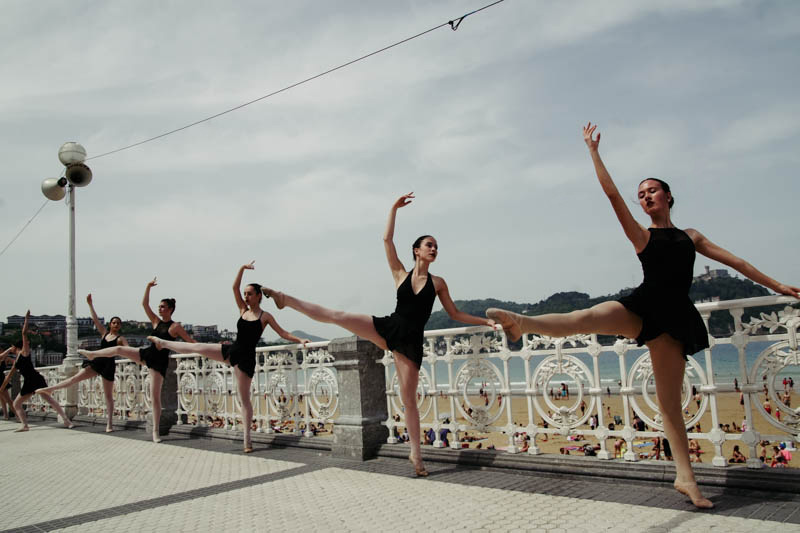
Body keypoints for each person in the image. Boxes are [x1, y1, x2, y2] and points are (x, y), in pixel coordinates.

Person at [486, 123, 800, 508]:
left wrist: (777, 285)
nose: (645, 196)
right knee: (586, 317)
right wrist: (593, 152)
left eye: (651, 190)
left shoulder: (691, 237)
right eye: (641, 194)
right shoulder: (642, 236)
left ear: (668, 196)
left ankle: (686, 479)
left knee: (670, 405)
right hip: (641, 307)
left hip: (674, 321)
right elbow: (612, 195)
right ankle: (521, 322)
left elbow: (737, 262)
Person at [259, 193, 494, 476]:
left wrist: (486, 321)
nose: (434, 249)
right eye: (429, 245)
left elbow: (455, 313)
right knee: (338, 315)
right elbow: (386, 240)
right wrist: (394, 208)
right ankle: (285, 299)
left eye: (436, 247)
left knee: (409, 400)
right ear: (417, 251)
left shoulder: (438, 283)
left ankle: (416, 455)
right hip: (389, 327)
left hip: (409, 342)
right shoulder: (400, 274)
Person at [149, 262, 307, 453]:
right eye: (245, 294)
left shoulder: (265, 316)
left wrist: (300, 339)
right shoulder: (243, 310)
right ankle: (163, 343)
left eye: (250, 294)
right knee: (198, 347)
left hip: (245, 358)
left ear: (259, 296)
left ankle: (247, 440)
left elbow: (283, 333)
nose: (246, 297)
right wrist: (242, 269)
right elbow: (234, 287)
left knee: (244, 399)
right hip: (232, 350)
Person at [79, 278, 194, 443]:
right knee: (119, 349)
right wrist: (148, 287)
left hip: (159, 363)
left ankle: (155, 432)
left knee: (155, 398)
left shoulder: (175, 326)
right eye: (159, 306)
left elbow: (190, 342)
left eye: (162, 306)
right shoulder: (156, 321)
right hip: (147, 354)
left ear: (170, 309)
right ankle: (93, 355)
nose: (160, 309)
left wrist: (204, 349)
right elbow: (144, 305)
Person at [36, 294, 127, 432]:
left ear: (120, 326)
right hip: (97, 362)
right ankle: (50, 389)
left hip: (108, 365)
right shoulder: (104, 333)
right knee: (74, 378)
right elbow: (95, 320)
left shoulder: (120, 339)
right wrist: (90, 304)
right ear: (110, 324)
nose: (116, 324)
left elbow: (128, 350)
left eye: (118, 323)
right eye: (114, 322)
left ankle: (109, 424)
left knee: (108, 395)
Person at [1, 311, 73, 431]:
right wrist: (2, 388)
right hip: (29, 381)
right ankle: (25, 425)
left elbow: (24, 333)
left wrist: (26, 320)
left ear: (16, 347)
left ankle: (66, 421)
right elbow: (9, 375)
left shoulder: (24, 352)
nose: (11, 348)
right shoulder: (16, 359)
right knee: (17, 404)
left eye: (12, 347)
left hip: (35, 379)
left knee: (48, 400)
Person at [0, 352, 16, 420]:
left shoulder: (6, 358)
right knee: (2, 399)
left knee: (8, 399)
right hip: (1, 379)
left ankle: (18, 415)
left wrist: (12, 370)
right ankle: (6, 415)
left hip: (1, 380)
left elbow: (16, 363)